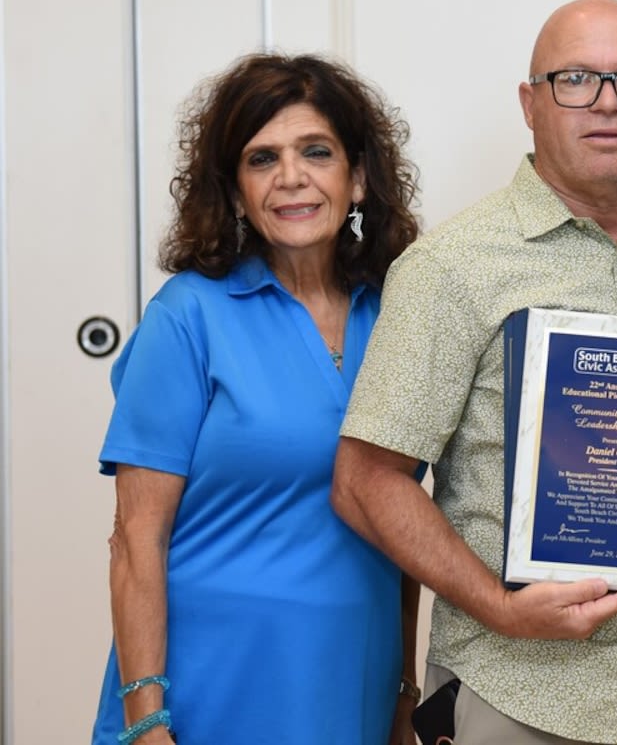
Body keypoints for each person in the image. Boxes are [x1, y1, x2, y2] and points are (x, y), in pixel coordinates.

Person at [330, 0, 617, 745]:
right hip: (521, 696)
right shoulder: (452, 265)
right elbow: (365, 482)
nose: (607, 102)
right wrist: (497, 604)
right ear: (530, 104)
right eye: (575, 80)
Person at [91, 53, 422, 745]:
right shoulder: (188, 317)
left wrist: (403, 693)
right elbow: (136, 540)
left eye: (316, 152)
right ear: (237, 193)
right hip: (209, 689)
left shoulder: (399, 318)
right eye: (262, 159)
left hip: (350, 685)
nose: (291, 178)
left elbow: (402, 524)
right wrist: (146, 724)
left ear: (358, 177)